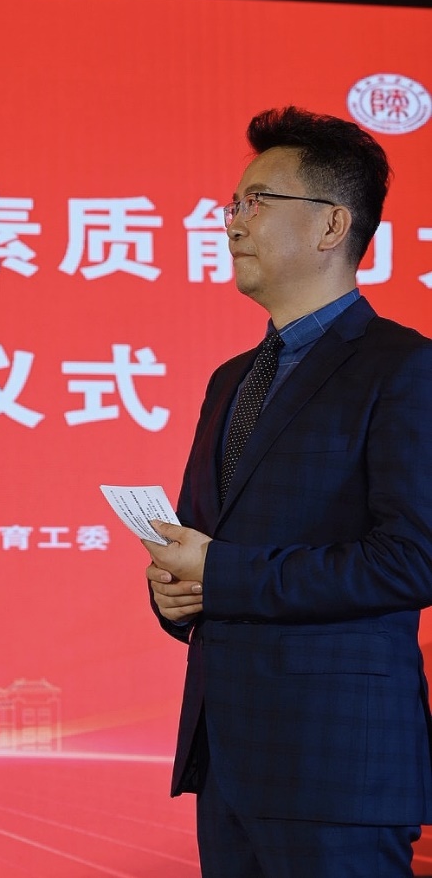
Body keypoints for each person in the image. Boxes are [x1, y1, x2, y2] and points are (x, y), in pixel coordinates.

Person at [142, 106, 432, 877]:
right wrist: (174, 591)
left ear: (332, 224)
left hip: (338, 770)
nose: (233, 222)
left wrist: (220, 572)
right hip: (228, 764)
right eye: (233, 204)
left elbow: (413, 559)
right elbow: (205, 542)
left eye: (257, 201)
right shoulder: (232, 379)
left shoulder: (404, 368)